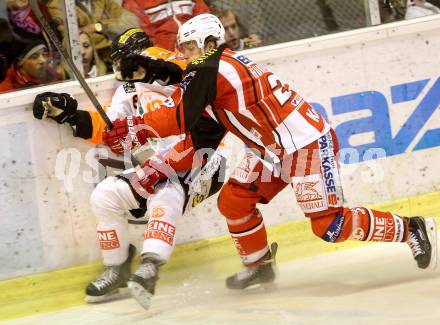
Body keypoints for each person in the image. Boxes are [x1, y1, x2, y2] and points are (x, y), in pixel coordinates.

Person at [103, 13, 437, 296]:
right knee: (233, 200)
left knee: (329, 226)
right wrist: (150, 84)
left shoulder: (213, 68)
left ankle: (411, 228)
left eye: (189, 47)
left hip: (305, 146)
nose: (184, 54)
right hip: (271, 151)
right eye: (182, 48)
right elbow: (198, 127)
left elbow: (179, 116)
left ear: (208, 44)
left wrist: (137, 124)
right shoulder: (212, 71)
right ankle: (259, 265)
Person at [32, 28, 227, 309]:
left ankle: (150, 266)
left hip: (206, 158)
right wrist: (69, 113)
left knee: (167, 193)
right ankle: (118, 268)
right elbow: (109, 128)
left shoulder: (165, 64)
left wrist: (151, 66)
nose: (120, 69)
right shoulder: (128, 87)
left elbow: (185, 70)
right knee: (105, 196)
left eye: (123, 61)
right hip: (165, 163)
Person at [46, 0, 140, 66]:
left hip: (114, 59)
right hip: (86, 64)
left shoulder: (101, 1)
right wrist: (113, 34)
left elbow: (133, 22)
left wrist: (98, 26)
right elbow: (71, 40)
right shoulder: (57, 5)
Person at [122, 0, 210, 50]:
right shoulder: (134, 2)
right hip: (163, 58)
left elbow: (205, 19)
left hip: (197, 48)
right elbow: (141, 36)